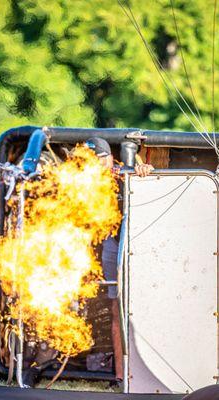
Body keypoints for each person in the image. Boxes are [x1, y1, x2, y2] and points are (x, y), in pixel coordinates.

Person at [85, 137, 153, 385]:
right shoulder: (81, 183)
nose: (91, 166)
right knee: (117, 307)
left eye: (96, 161)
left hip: (139, 241)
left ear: (108, 159)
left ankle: (145, 371)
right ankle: (121, 375)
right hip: (111, 243)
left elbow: (152, 177)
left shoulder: (121, 173)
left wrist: (145, 171)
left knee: (142, 304)